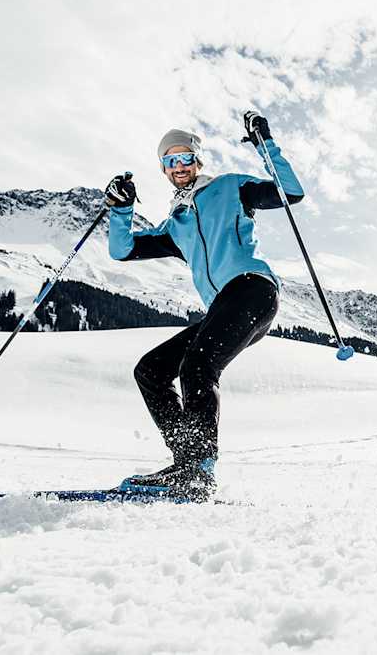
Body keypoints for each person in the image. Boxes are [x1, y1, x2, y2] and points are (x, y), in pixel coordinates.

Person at [104, 111, 304, 500]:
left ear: (197, 160)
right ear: (163, 169)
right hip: (223, 308)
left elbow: (290, 192)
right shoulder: (176, 224)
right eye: (170, 161)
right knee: (151, 370)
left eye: (185, 157)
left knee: (198, 366)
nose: (178, 166)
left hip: (252, 290)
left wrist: (265, 143)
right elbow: (122, 250)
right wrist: (121, 208)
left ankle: (198, 468)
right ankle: (186, 462)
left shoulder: (230, 188)